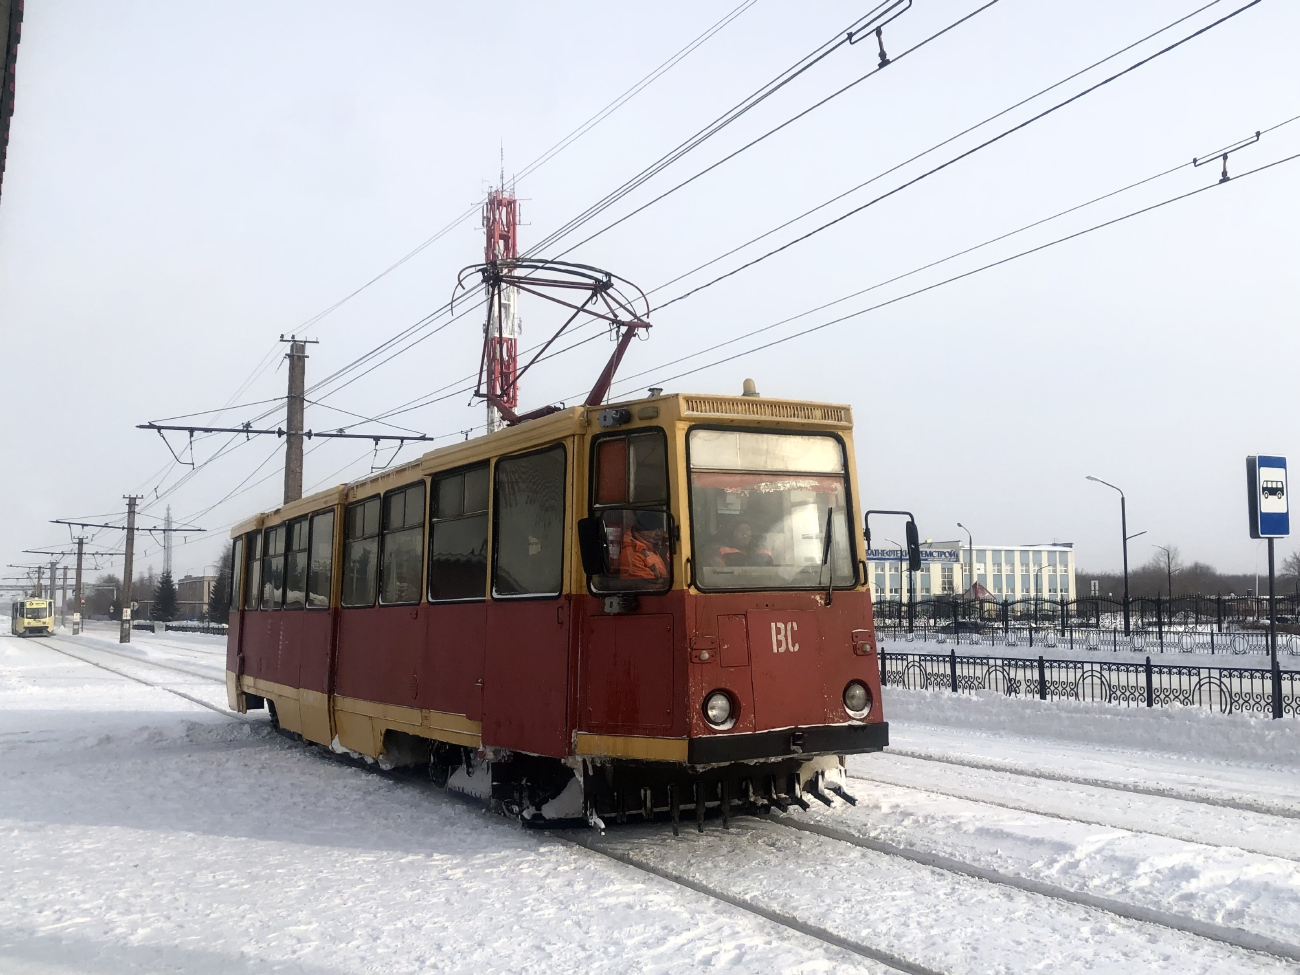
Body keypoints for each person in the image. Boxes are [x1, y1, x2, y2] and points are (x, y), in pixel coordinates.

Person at [619, 513, 669, 581]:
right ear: (640, 532)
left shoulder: (664, 546)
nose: (658, 533)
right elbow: (646, 584)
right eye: (652, 529)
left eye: (660, 529)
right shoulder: (632, 553)